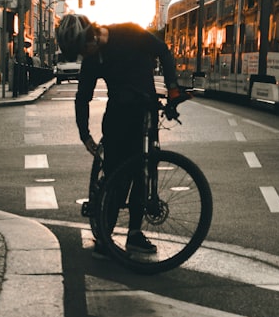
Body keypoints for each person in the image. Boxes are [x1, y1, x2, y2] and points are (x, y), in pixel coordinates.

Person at [56, 13, 191, 257]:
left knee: (144, 171)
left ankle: (134, 234)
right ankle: (105, 235)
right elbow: (82, 98)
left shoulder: (129, 32)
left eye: (83, 48)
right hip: (118, 115)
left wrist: (172, 88)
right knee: (115, 177)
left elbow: (163, 50)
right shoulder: (92, 58)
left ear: (92, 33)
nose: (84, 55)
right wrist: (84, 135)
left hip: (145, 110)